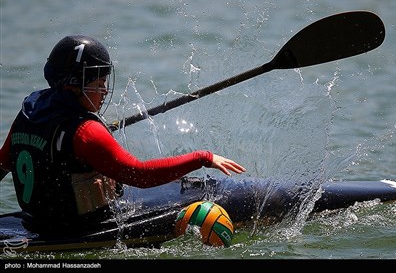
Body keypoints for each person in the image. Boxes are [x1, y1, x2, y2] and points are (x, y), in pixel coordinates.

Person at [0, 35, 246, 233]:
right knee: (210, 189)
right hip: (78, 227)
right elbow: (139, 175)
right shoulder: (86, 133)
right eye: (98, 85)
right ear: (72, 85)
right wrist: (202, 158)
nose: (105, 91)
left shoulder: (28, 113)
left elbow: (3, 163)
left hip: (36, 220)